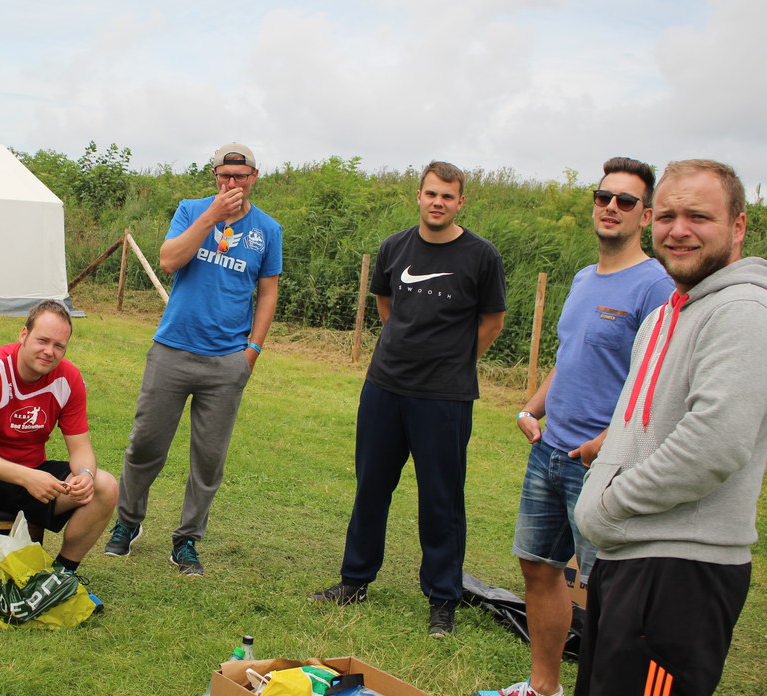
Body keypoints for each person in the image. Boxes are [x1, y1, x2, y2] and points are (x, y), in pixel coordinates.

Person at [478, 158, 673, 696]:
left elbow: (658, 384)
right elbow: (571, 358)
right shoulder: (586, 277)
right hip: (548, 452)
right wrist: (531, 409)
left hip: (604, 465)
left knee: (608, 591)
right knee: (538, 568)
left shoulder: (655, 287)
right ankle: (545, 687)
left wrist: (605, 445)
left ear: (646, 215)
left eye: (626, 201)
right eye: (603, 197)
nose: (611, 207)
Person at [574, 159, 767, 696]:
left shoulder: (744, 310)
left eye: (699, 217)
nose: (679, 230)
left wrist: (610, 503)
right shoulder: (668, 313)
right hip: (630, 560)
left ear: (737, 226)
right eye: (668, 216)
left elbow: (714, 444)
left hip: (681, 571)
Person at [310, 160, 507, 637]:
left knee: (441, 499)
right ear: (418, 196)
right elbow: (387, 307)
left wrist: (454, 363)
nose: (438, 202)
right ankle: (354, 580)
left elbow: (492, 322)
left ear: (460, 202)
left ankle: (442, 599)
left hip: (445, 397)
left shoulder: (481, 255)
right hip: (385, 387)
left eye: (448, 196)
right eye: (431, 193)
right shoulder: (394, 247)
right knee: (371, 488)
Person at [104, 142, 281, 576]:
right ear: (215, 175)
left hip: (227, 361)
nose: (232, 183)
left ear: (254, 177)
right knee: (145, 444)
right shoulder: (191, 210)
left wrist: (252, 351)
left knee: (209, 458)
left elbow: (268, 292)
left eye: (240, 176)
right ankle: (128, 522)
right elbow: (168, 260)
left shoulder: (267, 230)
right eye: (225, 175)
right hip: (172, 350)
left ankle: (187, 540)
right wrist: (212, 216)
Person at [0, 300, 117, 619]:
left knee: (105, 485)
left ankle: (60, 579)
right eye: (42, 340)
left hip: (30, 476)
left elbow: (81, 449)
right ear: (23, 334)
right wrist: (26, 476)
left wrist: (86, 475)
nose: (49, 351)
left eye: (59, 345)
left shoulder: (69, 379)